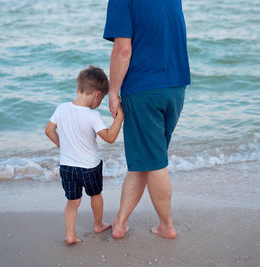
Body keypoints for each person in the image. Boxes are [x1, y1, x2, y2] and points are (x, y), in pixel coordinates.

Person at [103, 0, 190, 239]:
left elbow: (123, 49)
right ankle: (120, 222)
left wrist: (113, 91)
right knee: (146, 158)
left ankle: (166, 226)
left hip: (144, 89)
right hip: (176, 87)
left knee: (154, 162)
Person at [45, 65, 124, 244]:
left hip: (67, 167)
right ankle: (98, 224)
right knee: (95, 195)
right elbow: (110, 138)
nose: (100, 102)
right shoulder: (92, 115)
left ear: (78, 87)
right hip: (89, 167)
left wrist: (61, 144)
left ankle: (70, 234)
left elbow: (49, 130)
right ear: (97, 94)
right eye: (102, 99)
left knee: (72, 201)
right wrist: (120, 117)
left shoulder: (61, 108)